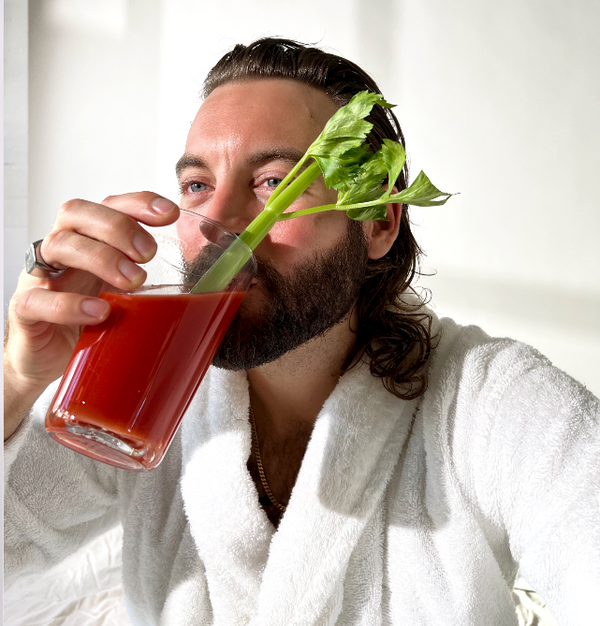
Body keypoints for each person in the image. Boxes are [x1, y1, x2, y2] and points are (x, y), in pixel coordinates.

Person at [4, 38, 599, 626]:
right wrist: (15, 381)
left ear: (376, 225)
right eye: (197, 187)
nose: (221, 226)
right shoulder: (150, 393)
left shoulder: (489, 401)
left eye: (273, 183)